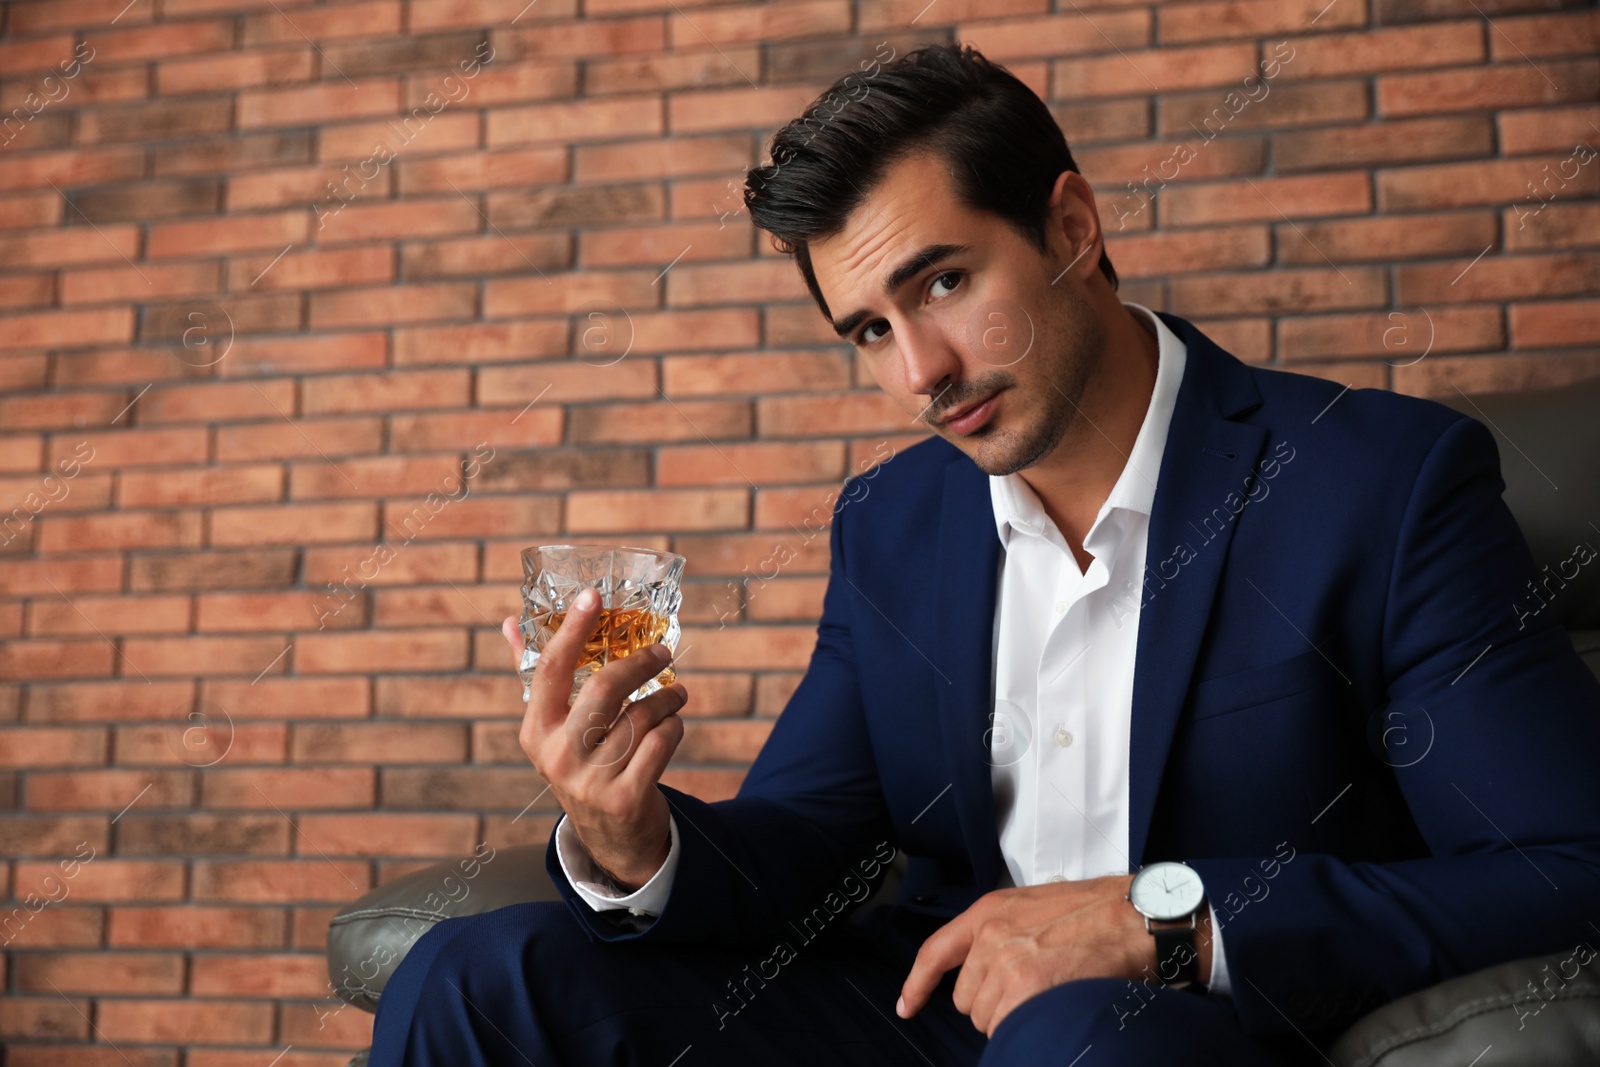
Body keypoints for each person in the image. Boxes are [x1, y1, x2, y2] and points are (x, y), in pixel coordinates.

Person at [367, 42, 1600, 1067]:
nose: (920, 373)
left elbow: (1565, 864)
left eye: (944, 281)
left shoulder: (1376, 481)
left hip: (1191, 1029)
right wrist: (631, 840)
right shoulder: (891, 522)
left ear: (1068, 225)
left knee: (1076, 1037)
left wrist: (1161, 920)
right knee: (479, 974)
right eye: (869, 330)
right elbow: (806, 836)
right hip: (933, 1022)